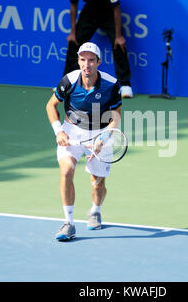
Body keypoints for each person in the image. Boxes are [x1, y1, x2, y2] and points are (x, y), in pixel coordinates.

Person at [46, 42, 122, 241]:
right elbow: (50, 105)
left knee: (97, 184)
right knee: (66, 171)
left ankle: (95, 210)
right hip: (71, 131)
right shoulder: (69, 81)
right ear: (78, 61)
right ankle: (68, 223)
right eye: (82, 60)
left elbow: (116, 116)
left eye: (90, 60)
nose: (86, 65)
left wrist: (104, 138)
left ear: (98, 62)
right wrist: (58, 131)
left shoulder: (111, 84)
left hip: (100, 132)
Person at [63, 0, 133, 98]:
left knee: (118, 43)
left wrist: (119, 36)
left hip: (108, 12)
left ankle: (126, 85)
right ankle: (67, 84)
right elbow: (73, 6)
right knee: (74, 41)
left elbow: (116, 8)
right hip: (89, 11)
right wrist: (72, 32)